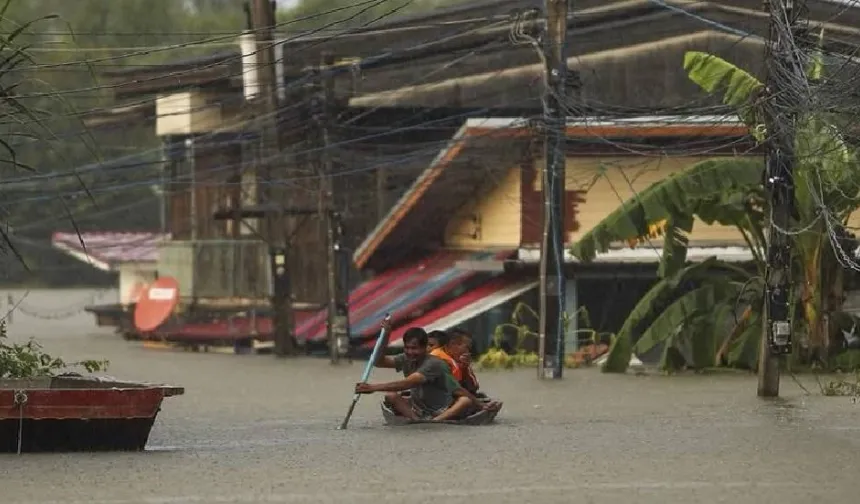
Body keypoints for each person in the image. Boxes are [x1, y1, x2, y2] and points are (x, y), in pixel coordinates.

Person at [354, 324, 488, 421]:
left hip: (441, 409)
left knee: (464, 400)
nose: (410, 352)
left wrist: (372, 387)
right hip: (418, 408)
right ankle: (416, 420)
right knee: (391, 396)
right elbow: (379, 362)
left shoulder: (434, 363)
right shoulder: (406, 358)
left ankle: (436, 421)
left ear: (424, 348)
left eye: (415, 348)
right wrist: (386, 337)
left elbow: (408, 383)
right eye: (407, 348)